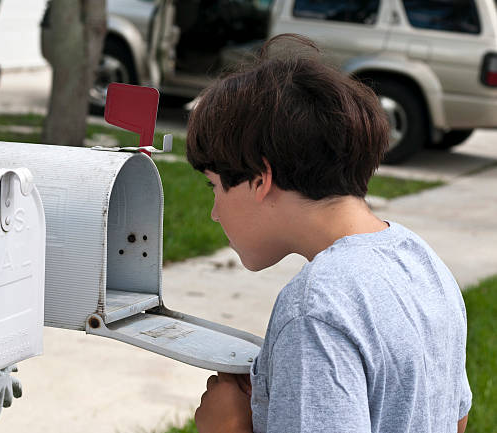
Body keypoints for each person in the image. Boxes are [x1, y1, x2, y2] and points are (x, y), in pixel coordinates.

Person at [186, 34, 472, 433]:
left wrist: (227, 428)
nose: (215, 213)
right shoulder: (422, 260)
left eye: (214, 187)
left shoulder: (315, 309)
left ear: (259, 179)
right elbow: (453, 419)